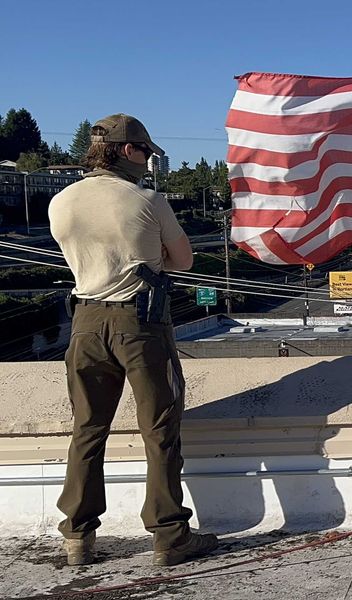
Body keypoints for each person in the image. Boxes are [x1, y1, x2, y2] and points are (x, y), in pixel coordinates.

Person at [48, 114, 217, 567]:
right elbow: (181, 260)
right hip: (140, 324)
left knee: (88, 429)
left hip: (84, 323)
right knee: (159, 429)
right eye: (146, 152)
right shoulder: (147, 200)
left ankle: (78, 536)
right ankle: (169, 534)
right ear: (128, 150)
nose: (149, 162)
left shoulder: (61, 201)